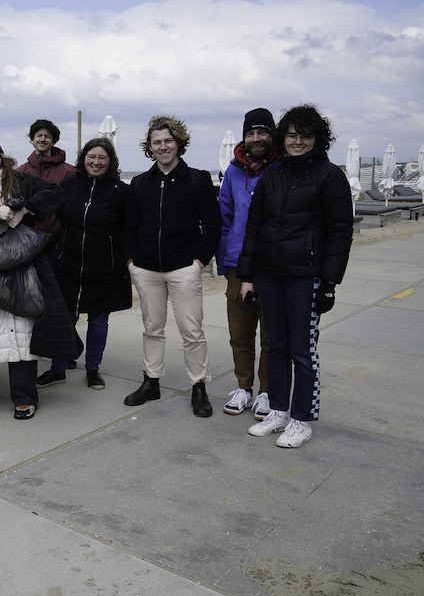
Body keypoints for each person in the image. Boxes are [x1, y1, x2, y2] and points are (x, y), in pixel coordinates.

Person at [238, 104, 353, 448]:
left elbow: (340, 233)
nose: (298, 142)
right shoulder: (271, 176)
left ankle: (302, 419)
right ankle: (279, 411)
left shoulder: (329, 176)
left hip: (307, 276)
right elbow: (254, 228)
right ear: (282, 138)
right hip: (270, 274)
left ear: (317, 138)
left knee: (304, 351)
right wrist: (247, 277)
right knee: (277, 347)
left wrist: (329, 284)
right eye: (291, 135)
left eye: (305, 136)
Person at [0, 131, 80, 419]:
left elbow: (56, 193)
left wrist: (25, 210)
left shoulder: (22, 178)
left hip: (25, 262)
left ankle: (24, 396)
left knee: (23, 329)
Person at [123, 115, 221, 417]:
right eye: (157, 142)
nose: (163, 146)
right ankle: (151, 382)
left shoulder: (198, 179)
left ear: (178, 143)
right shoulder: (139, 183)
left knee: (192, 330)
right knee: (152, 328)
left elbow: (214, 225)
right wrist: (132, 262)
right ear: (149, 147)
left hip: (184, 268)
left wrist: (199, 261)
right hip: (146, 269)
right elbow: (129, 225)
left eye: (168, 141)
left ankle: (199, 387)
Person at [37, 137, 132, 390]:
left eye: (102, 157)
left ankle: (93, 369)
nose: (96, 162)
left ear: (111, 161)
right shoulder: (69, 184)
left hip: (105, 267)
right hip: (68, 263)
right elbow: (60, 216)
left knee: (99, 320)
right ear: (84, 159)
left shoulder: (121, 191)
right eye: (92, 156)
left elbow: (128, 228)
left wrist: (122, 261)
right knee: (64, 317)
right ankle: (58, 368)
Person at [216, 109, 278, 419]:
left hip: (273, 266)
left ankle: (267, 393)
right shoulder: (233, 171)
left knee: (271, 335)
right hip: (237, 266)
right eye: (250, 133)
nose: (256, 138)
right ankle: (244, 387)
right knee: (240, 332)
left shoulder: (283, 168)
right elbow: (224, 220)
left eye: (262, 132)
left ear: (272, 135)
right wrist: (224, 262)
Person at [17, 119, 76, 249]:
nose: (42, 139)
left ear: (54, 141)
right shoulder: (20, 172)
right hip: (24, 244)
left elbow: (74, 210)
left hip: (57, 244)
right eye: (39, 135)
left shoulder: (69, 172)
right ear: (31, 140)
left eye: (47, 136)